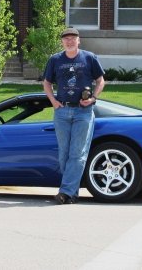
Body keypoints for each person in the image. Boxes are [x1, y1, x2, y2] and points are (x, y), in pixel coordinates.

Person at [42, 27, 105, 204]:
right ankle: (71, 193)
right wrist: (53, 101)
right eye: (66, 39)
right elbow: (46, 82)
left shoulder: (89, 58)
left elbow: (100, 80)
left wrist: (93, 98)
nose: (69, 41)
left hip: (83, 112)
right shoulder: (55, 59)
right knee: (64, 154)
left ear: (79, 40)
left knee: (77, 153)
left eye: (73, 38)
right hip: (62, 111)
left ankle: (65, 192)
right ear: (62, 42)